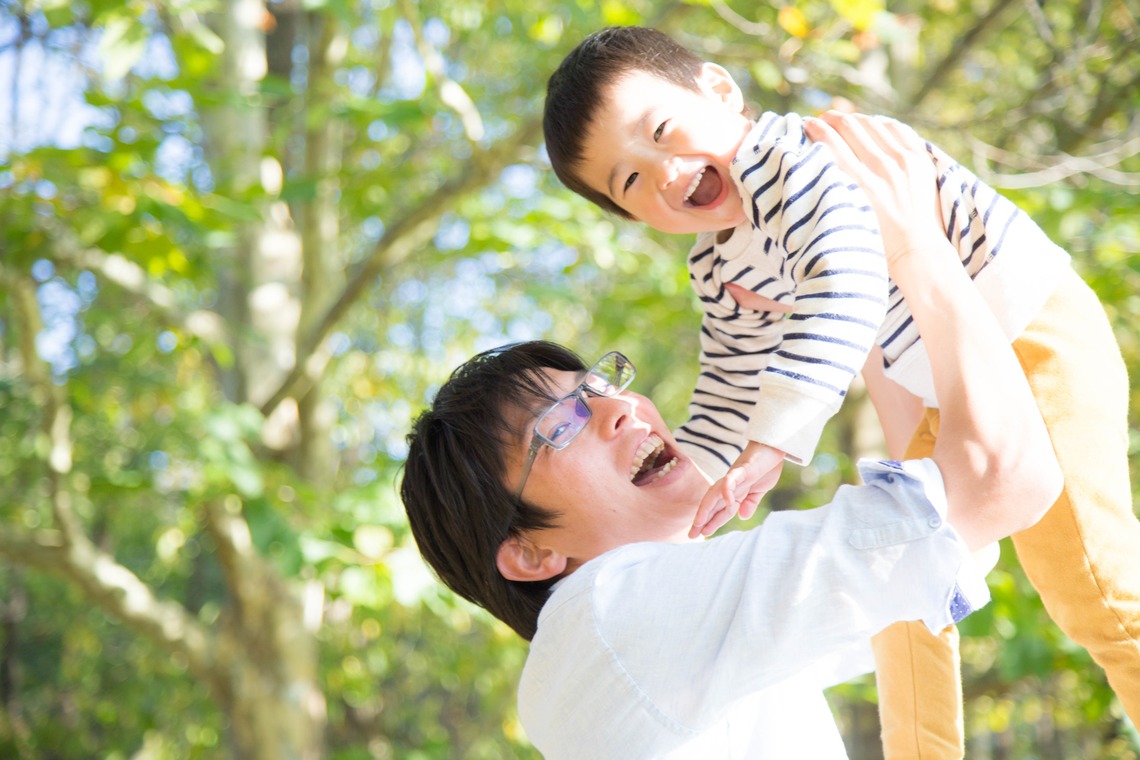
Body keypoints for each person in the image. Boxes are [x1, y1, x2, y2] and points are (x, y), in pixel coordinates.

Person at [543, 26, 1140, 755]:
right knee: (902, 596)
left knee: (1088, 580)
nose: (663, 171)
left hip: (1028, 331)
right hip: (933, 382)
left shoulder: (798, 162)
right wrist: (703, 480)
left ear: (722, 91)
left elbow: (845, 282)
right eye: (630, 181)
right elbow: (730, 382)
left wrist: (773, 442)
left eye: (662, 131)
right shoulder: (717, 264)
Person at [401, 114, 1063, 758]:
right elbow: (999, 478)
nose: (622, 408)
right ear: (530, 555)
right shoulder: (615, 614)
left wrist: (854, 308)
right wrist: (913, 246)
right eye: (562, 424)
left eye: (599, 386)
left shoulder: (674, 647)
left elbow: (939, 550)